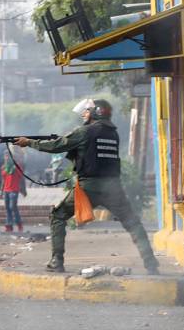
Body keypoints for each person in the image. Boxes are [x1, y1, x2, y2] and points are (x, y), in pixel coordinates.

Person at [15, 99, 159, 275]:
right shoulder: (112, 133)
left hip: (89, 186)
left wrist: (29, 142)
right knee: (133, 222)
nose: (84, 114)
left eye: (87, 111)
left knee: (58, 215)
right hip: (113, 187)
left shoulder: (85, 131)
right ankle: (151, 263)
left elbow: (56, 146)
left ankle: (56, 261)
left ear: (96, 112)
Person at [1, 146, 27, 232]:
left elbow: (21, 178)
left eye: (8, 156)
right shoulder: (4, 167)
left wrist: (23, 190)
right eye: (5, 156)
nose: (6, 157)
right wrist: (1, 191)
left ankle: (19, 224)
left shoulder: (17, 166)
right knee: (8, 208)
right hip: (6, 190)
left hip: (14, 190)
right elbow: (3, 180)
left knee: (13, 207)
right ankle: (9, 225)